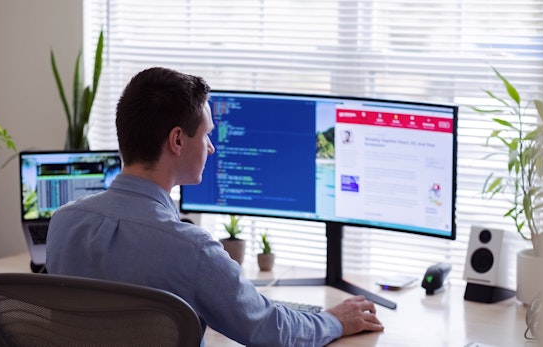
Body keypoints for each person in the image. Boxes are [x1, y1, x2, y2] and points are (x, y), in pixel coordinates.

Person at [46, 66, 383, 346]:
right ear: (177, 140)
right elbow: (270, 330)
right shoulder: (191, 250)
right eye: (206, 135)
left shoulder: (63, 223)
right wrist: (334, 321)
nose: (211, 149)